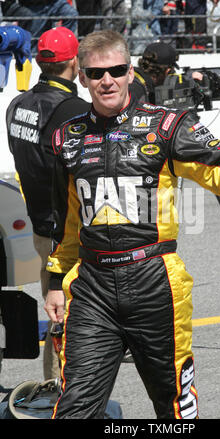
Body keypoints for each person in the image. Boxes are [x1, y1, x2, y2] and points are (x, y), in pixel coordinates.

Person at [44, 29, 220, 419]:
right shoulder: (68, 136)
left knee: (174, 406)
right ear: (82, 77)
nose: (106, 80)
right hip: (92, 285)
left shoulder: (167, 125)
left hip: (154, 281)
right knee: (74, 408)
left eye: (115, 70)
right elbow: (70, 221)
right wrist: (54, 281)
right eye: (96, 74)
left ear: (130, 72)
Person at [6, 26, 90, 380]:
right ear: (74, 62)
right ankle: (68, 394)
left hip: (40, 225)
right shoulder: (74, 110)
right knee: (75, 318)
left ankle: (54, 385)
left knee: (56, 308)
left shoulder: (16, 103)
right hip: (70, 231)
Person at [129, 41, 204, 104]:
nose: (171, 76)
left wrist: (189, 79)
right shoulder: (137, 90)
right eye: (171, 72)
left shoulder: (136, 80)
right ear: (167, 71)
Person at [1, 0, 78, 49]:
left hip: (54, 2)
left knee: (71, 14)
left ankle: (61, 47)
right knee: (34, 47)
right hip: (34, 6)